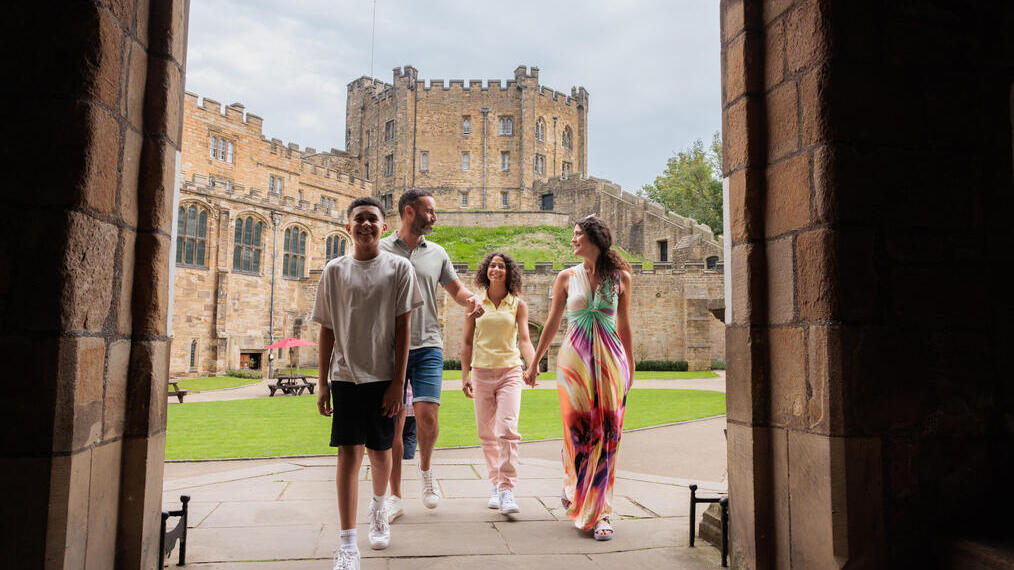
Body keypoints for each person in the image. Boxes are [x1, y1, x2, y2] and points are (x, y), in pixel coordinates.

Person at [313, 196, 423, 570]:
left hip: (384, 377)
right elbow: (326, 329)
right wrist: (323, 382)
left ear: (383, 224)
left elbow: (404, 331)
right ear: (348, 227)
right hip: (346, 375)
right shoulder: (333, 271)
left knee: (380, 453)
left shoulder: (399, 268)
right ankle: (347, 545)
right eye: (358, 219)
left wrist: (397, 382)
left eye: (372, 219)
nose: (365, 225)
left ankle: (378, 508)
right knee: (347, 454)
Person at [525, 215, 633, 541]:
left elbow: (625, 326)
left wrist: (631, 366)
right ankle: (573, 484)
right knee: (578, 434)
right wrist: (533, 364)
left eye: (577, 235)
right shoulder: (565, 278)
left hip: (611, 362)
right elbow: (552, 324)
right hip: (574, 363)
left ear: (594, 239)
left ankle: (601, 512)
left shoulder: (620, 278)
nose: (572, 240)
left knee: (608, 435)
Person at [381, 188, 484, 521]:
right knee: (394, 424)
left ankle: (425, 472)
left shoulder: (437, 252)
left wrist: (472, 300)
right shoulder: (381, 250)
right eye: (430, 211)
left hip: (428, 344)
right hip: (390, 348)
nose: (435, 217)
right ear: (410, 212)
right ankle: (394, 495)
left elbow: (456, 290)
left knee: (427, 416)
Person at [461, 252, 537, 515]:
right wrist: (464, 374)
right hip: (481, 372)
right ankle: (495, 482)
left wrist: (533, 364)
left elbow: (525, 340)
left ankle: (506, 489)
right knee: (486, 434)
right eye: (492, 265)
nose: (496, 269)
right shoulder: (474, 303)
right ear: (486, 270)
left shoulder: (517, 304)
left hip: (510, 372)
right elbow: (467, 342)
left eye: (501, 266)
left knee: (507, 429)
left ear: (508, 272)